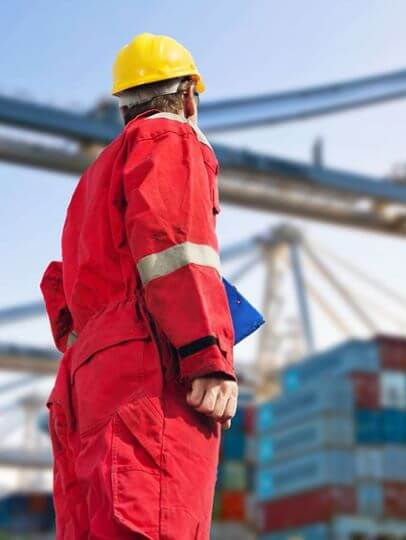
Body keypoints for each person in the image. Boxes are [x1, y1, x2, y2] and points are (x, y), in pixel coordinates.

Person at [40, 33, 238, 539]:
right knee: (157, 520)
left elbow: (62, 292)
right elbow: (176, 244)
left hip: (86, 387)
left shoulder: (91, 182)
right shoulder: (169, 138)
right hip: (148, 373)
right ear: (189, 96)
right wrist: (206, 354)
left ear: (123, 108)